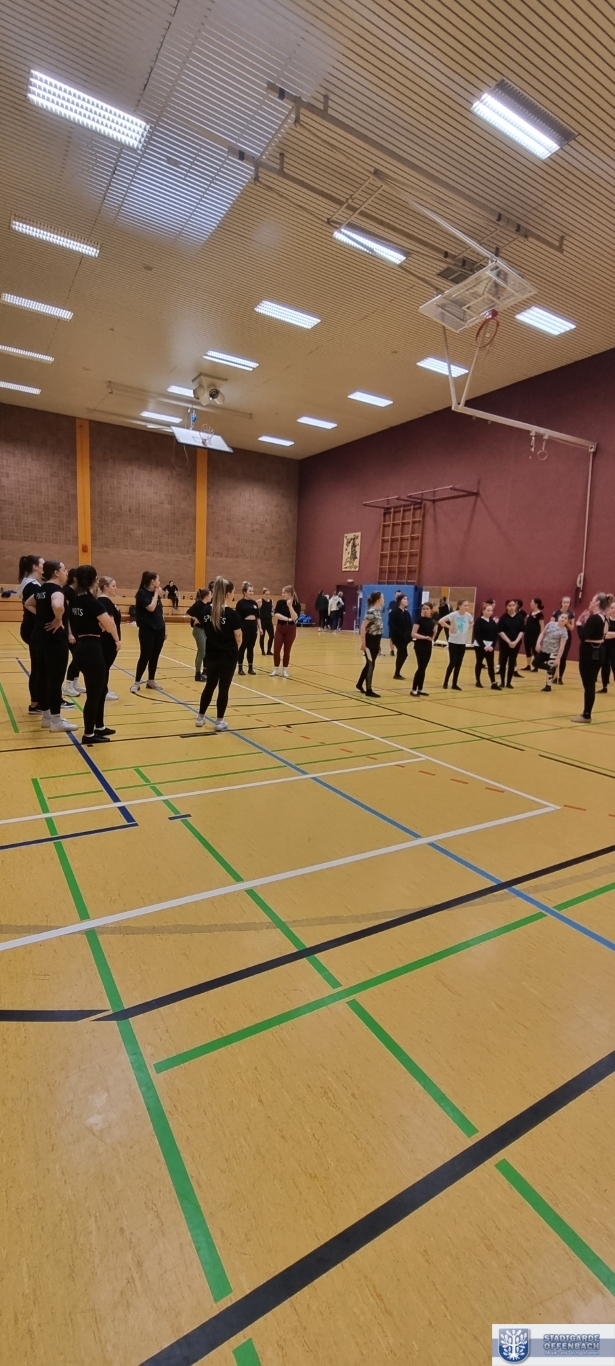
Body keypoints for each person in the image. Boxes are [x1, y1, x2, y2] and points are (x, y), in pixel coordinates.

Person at [67, 566, 121, 745]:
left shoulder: (75, 600)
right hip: (92, 648)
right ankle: (89, 734)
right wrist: (102, 626)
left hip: (80, 647)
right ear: (93, 581)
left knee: (98, 690)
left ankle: (99, 726)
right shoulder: (93, 602)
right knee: (94, 694)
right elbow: (110, 625)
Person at [24, 560, 77, 732]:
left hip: (39, 637)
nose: (66, 572)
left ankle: (47, 717)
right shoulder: (57, 591)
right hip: (54, 640)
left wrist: (43, 615)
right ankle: (56, 720)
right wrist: (58, 618)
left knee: (41, 676)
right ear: (56, 572)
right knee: (55, 680)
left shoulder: (40, 590)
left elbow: (27, 603)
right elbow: (57, 605)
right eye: (64, 569)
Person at [195, 577, 242, 731]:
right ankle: (219, 721)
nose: (234, 594)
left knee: (210, 685)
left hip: (211, 655)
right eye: (233, 592)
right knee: (223, 688)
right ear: (228, 594)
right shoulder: (232, 614)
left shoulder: (206, 611)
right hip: (228, 656)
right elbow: (238, 637)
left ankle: (200, 717)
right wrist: (234, 649)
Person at [572, 593, 610, 723]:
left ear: (597, 602)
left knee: (588, 684)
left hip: (590, 653)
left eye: (592, 600)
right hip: (599, 651)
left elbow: (583, 636)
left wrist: (578, 624)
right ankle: (586, 712)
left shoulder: (594, 618)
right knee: (591, 683)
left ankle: (586, 715)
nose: (590, 602)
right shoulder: (604, 618)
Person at [17, 553, 44, 713]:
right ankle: (35, 703)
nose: (44, 566)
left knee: (39, 665)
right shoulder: (32, 586)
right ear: (35, 567)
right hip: (32, 629)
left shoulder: (31, 583)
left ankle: (38, 701)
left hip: (31, 628)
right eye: (42, 564)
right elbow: (33, 607)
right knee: (38, 666)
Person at [131, 572, 166, 693]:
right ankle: (136, 682)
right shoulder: (142, 593)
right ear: (152, 581)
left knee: (155, 656)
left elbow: (160, 612)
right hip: (147, 629)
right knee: (145, 655)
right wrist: (156, 594)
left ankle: (151, 680)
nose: (159, 582)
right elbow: (151, 608)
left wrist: (165, 628)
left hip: (159, 628)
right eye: (158, 580)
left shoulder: (156, 595)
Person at [439, 599, 473, 690]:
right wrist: (450, 627)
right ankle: (445, 682)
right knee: (452, 663)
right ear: (459, 606)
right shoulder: (454, 614)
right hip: (453, 642)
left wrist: (468, 627)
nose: (466, 607)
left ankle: (454, 684)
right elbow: (441, 621)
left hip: (463, 642)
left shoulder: (468, 615)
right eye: (465, 605)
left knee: (459, 664)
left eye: (467, 605)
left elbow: (472, 622)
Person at [97, 577, 122, 700]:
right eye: (113, 586)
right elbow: (111, 624)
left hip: (102, 639)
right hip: (108, 640)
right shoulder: (106, 601)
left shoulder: (99, 600)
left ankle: (103, 690)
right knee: (105, 666)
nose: (115, 588)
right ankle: (103, 691)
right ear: (105, 587)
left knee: (103, 666)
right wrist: (117, 640)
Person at [356, 591, 384, 697]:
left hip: (376, 640)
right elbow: (363, 627)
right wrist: (363, 643)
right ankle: (369, 690)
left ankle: (359, 684)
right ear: (378, 599)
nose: (383, 600)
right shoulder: (371, 611)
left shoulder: (378, 611)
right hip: (370, 641)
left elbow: (377, 629)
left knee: (369, 664)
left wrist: (379, 645)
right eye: (382, 598)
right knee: (371, 664)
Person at [535, 613, 569, 692]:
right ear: (558, 617)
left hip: (553, 652)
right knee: (535, 663)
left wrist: (558, 659)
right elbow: (542, 633)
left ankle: (548, 686)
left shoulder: (564, 632)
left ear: (567, 621)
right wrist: (538, 643)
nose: (563, 619)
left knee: (549, 672)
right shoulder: (550, 624)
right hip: (544, 650)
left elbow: (562, 646)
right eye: (562, 617)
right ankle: (549, 668)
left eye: (565, 618)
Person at [497, 599, 525, 688]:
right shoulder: (503, 617)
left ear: (516, 606)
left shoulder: (520, 617)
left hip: (515, 644)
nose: (512, 607)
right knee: (503, 662)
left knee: (512, 663)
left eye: (513, 605)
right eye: (510, 605)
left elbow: (522, 631)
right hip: (504, 644)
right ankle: (502, 682)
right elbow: (500, 631)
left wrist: (515, 642)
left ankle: (509, 682)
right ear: (506, 607)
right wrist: (508, 641)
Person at [272, 587, 300, 677]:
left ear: (289, 593)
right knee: (276, 650)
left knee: (287, 651)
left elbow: (295, 617)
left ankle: (285, 670)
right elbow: (276, 614)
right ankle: (276, 669)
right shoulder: (280, 602)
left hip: (290, 629)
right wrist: (287, 619)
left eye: (284, 593)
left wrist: (290, 606)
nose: (282, 594)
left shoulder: (296, 604)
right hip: (280, 628)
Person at [236, 581, 261, 675]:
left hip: (253, 627)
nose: (252, 593)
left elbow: (258, 617)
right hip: (244, 626)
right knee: (242, 648)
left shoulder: (254, 603)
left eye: (252, 591)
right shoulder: (240, 603)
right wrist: (239, 629)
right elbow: (238, 617)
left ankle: (250, 668)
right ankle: (240, 668)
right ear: (244, 592)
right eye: (250, 591)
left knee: (251, 648)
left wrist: (260, 628)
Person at [411, 601, 436, 696]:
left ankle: (420, 688)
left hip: (428, 646)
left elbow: (432, 636)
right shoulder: (419, 620)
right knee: (421, 667)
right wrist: (424, 637)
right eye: (423, 609)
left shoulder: (432, 621)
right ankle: (414, 689)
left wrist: (434, 633)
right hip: (419, 646)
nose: (425, 611)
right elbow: (413, 634)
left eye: (427, 609)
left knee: (424, 667)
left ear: (431, 610)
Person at [473, 603, 500, 689]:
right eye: (488, 610)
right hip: (480, 645)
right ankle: (478, 681)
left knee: (491, 664)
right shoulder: (479, 621)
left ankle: (493, 683)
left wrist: (492, 646)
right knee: (479, 662)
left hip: (490, 646)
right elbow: (477, 635)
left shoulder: (492, 622)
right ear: (483, 611)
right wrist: (483, 646)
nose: (490, 612)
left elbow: (496, 635)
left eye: (491, 611)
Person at [187, 587, 211, 681]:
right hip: (198, 630)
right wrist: (194, 618)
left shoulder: (208, 606)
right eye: (210, 595)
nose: (211, 596)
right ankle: (197, 674)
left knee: (202, 652)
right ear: (206, 596)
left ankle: (199, 673)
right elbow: (188, 612)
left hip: (204, 630)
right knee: (202, 652)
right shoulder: (198, 604)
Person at [552, 596, 575, 683]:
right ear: (561, 603)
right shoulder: (556, 613)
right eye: (564, 602)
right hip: (556, 636)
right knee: (554, 656)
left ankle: (560, 677)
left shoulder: (571, 614)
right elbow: (551, 624)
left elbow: (572, 627)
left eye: (567, 602)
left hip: (566, 637)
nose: (566, 604)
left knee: (563, 657)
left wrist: (566, 622)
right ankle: (553, 676)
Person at [389, 594, 412, 679]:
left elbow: (410, 624)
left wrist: (409, 634)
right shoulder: (394, 611)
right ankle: (397, 673)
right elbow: (392, 625)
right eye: (404, 599)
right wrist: (400, 633)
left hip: (405, 637)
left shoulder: (406, 613)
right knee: (403, 653)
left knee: (401, 654)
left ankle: (397, 673)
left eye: (407, 599)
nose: (406, 601)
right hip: (398, 637)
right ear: (399, 601)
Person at [522, 598, 544, 671]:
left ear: (536, 604)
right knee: (527, 649)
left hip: (535, 636)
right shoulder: (531, 613)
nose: (530, 604)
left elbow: (542, 626)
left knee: (535, 651)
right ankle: (528, 665)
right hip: (527, 634)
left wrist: (540, 636)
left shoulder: (540, 614)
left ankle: (536, 666)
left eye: (532, 602)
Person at [599, 600, 615, 693]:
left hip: (614, 647)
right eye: (611, 608)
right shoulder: (606, 620)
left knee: (614, 665)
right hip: (605, 646)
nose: (613, 610)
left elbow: (606, 633)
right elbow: (603, 634)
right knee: (605, 665)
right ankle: (604, 687)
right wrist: (611, 634)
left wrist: (608, 634)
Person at [259, 590, 274, 656]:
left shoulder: (271, 601)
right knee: (262, 636)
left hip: (269, 621)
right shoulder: (260, 601)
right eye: (266, 594)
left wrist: (272, 613)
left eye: (269, 594)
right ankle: (263, 650)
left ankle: (269, 650)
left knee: (272, 636)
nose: (268, 595)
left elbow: (272, 609)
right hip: (262, 621)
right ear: (263, 594)